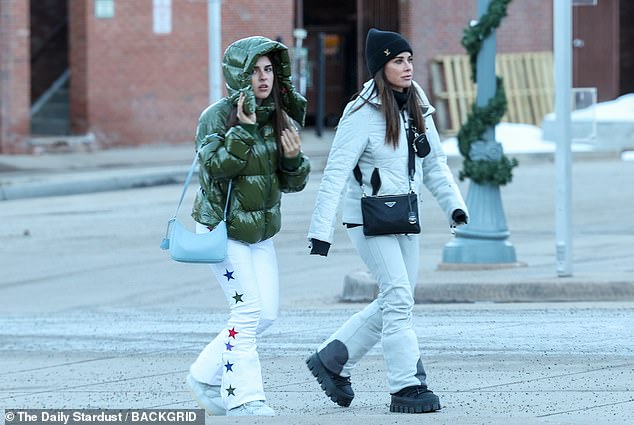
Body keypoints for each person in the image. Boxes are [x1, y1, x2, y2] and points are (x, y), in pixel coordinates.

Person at [306, 28, 469, 414]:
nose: (408, 66)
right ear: (381, 66)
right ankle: (407, 386)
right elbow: (335, 173)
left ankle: (332, 359)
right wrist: (319, 232)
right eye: (398, 60)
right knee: (397, 298)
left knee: (399, 299)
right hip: (366, 217)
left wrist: (454, 206)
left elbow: (435, 164)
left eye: (409, 59)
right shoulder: (361, 112)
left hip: (405, 214)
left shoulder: (417, 102)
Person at [185, 36, 310, 417]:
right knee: (248, 312)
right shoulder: (216, 116)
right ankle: (243, 397)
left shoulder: (279, 116)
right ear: (239, 74)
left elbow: (292, 183)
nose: (263, 78)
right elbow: (216, 168)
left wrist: (293, 159)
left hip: (259, 233)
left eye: (269, 69)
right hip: (222, 230)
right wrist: (242, 130)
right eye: (254, 70)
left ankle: (204, 375)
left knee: (266, 314)